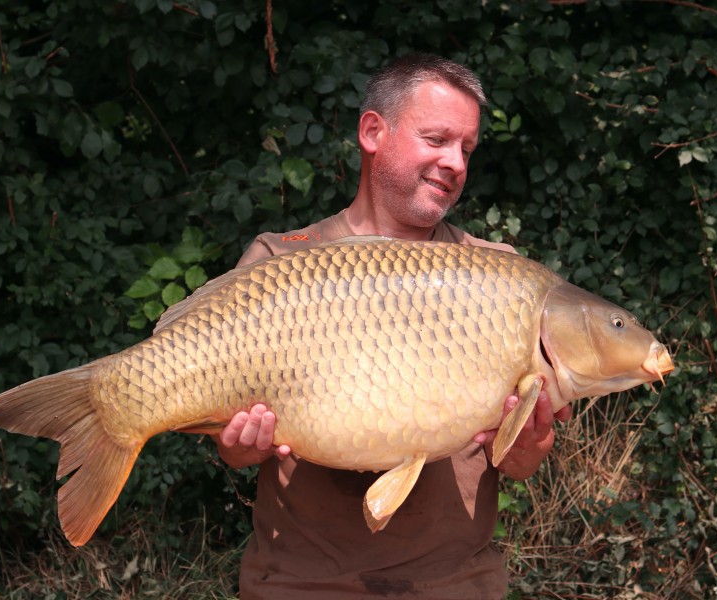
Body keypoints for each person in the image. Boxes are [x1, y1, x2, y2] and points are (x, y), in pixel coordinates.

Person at [211, 53, 572, 599]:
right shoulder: (278, 263)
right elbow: (232, 448)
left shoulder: (500, 275)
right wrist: (239, 445)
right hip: (301, 582)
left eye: (466, 148)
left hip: (457, 583)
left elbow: (520, 463)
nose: (454, 162)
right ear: (373, 131)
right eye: (436, 139)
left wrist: (529, 448)